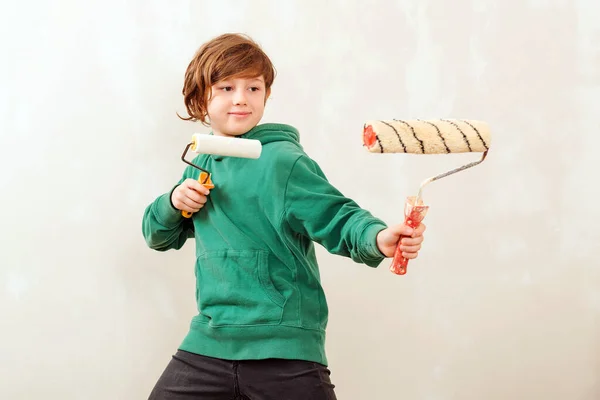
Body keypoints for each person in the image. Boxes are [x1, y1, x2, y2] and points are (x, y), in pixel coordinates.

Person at [142, 33, 426, 400]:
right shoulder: (199, 164)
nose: (241, 98)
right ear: (200, 97)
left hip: (284, 349)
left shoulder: (282, 161)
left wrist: (375, 237)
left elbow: (337, 215)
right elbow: (157, 235)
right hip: (210, 342)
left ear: (267, 95)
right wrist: (173, 202)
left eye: (253, 88)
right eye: (226, 87)